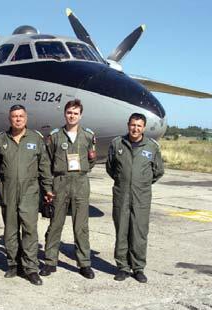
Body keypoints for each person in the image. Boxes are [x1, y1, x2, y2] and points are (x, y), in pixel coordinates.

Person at [0, 104, 53, 286]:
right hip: (8, 191)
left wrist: (48, 188)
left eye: (21, 116)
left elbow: (44, 166)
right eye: (14, 116)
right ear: (9, 119)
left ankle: (30, 268)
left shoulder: (36, 139)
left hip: (30, 192)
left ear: (26, 118)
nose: (18, 119)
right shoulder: (0, 140)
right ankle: (12, 264)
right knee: (10, 230)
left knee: (29, 230)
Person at [40, 99, 97, 279]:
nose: (72, 116)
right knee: (56, 224)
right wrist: (49, 187)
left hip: (80, 182)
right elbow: (47, 161)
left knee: (81, 226)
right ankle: (50, 262)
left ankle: (84, 263)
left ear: (80, 115)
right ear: (65, 114)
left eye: (75, 113)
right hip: (60, 182)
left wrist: (81, 171)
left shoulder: (88, 136)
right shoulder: (55, 136)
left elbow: (92, 159)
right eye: (69, 113)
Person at [106, 113, 164, 283]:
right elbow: (111, 168)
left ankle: (138, 268)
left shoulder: (151, 147)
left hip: (141, 197)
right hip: (121, 195)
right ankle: (123, 267)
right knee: (122, 231)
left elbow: (158, 171)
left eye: (139, 126)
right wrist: (124, 181)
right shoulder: (117, 144)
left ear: (143, 128)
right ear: (128, 125)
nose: (135, 128)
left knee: (139, 233)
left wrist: (141, 183)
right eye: (133, 125)